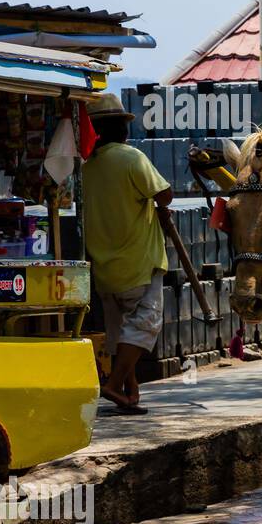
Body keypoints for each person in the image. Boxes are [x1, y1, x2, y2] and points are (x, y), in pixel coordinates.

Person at [81, 94, 173, 414]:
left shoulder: (87, 168)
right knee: (145, 324)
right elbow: (165, 193)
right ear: (119, 128)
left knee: (122, 333)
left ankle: (129, 391)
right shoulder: (131, 157)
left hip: (105, 269)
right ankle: (112, 385)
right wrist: (158, 206)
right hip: (139, 263)